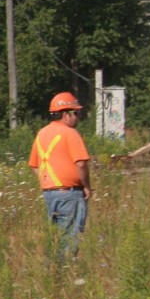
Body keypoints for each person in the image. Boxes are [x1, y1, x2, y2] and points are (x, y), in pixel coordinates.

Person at [28, 92, 92, 259]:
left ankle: (54, 271)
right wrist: (86, 186)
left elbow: (34, 165)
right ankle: (66, 274)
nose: (78, 117)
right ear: (66, 114)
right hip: (70, 194)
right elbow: (81, 164)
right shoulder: (70, 133)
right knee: (71, 238)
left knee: (55, 238)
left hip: (49, 194)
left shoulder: (41, 133)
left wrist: (48, 181)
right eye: (76, 113)